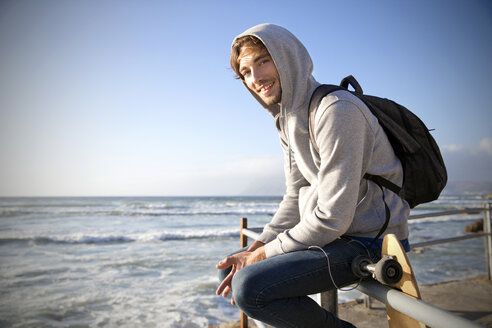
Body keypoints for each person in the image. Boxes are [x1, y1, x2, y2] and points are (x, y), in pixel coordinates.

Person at [216, 23, 410, 328]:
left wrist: (264, 255)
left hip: (370, 240)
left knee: (250, 287)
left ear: (287, 57)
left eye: (263, 61)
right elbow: (296, 193)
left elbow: (333, 217)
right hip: (336, 236)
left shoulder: (336, 110)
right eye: (246, 72)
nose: (256, 78)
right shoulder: (286, 120)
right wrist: (259, 245)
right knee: (232, 267)